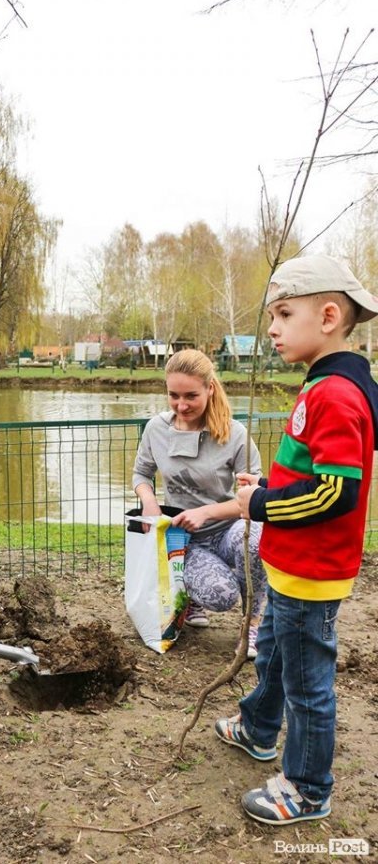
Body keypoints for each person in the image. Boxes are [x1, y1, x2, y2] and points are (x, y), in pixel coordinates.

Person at [216, 254, 378, 825]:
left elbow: (337, 493)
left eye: (284, 313)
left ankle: (308, 788)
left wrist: (258, 504)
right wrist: (269, 484)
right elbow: (316, 475)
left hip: (313, 572)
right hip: (291, 567)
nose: (274, 329)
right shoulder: (325, 385)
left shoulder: (334, 394)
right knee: (277, 655)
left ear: (329, 315)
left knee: (309, 685)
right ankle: (259, 728)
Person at [132, 348, 266, 658]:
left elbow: (252, 497)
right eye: (173, 395)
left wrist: (207, 511)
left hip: (228, 528)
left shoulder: (235, 434)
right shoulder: (156, 429)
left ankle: (255, 625)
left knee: (259, 543)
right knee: (221, 596)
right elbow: (141, 473)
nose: (181, 405)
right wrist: (149, 500)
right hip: (184, 538)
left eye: (191, 395)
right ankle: (193, 594)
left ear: (210, 388)